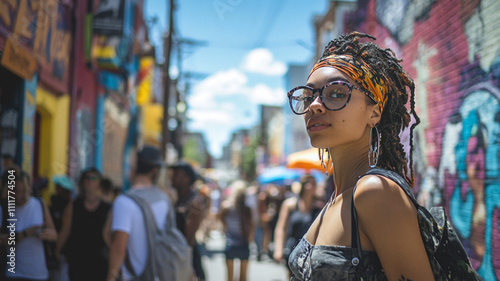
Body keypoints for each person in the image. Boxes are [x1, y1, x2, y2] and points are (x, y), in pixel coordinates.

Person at [286, 31, 434, 280]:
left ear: (374, 113)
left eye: (336, 93)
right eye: (309, 95)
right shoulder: (335, 198)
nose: (314, 105)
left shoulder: (375, 192)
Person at [106, 145, 174, 281]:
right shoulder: (165, 200)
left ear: (134, 167)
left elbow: (119, 248)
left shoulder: (124, 202)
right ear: (156, 171)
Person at [1, 169, 58, 281]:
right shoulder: (5, 208)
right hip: (13, 273)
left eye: (24, 190)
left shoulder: (39, 204)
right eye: (17, 191)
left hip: (37, 273)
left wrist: (47, 235)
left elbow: (54, 234)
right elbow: (2, 241)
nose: (20, 195)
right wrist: (27, 233)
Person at [64, 168, 111, 281]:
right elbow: (65, 230)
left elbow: (108, 235)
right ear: (82, 182)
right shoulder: (74, 205)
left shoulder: (108, 208)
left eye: (94, 178)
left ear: (99, 182)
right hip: (77, 261)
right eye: (87, 178)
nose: (90, 181)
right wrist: (56, 253)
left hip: (100, 262)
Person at [273, 175, 322, 279]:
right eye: (309, 183)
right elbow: (281, 228)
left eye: (314, 184)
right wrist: (278, 249)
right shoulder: (290, 204)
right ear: (302, 186)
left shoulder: (319, 207)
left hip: (312, 251)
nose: (311, 186)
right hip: (293, 248)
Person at [170, 161, 208, 281]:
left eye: (177, 174)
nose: (172, 177)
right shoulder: (179, 199)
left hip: (185, 259)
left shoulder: (194, 202)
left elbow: (188, 240)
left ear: (187, 178)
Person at [218, 181, 254, 281]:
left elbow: (221, 220)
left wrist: (225, 230)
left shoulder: (226, 206)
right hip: (243, 242)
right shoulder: (246, 209)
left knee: (230, 277)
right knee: (243, 277)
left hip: (230, 243)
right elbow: (251, 225)